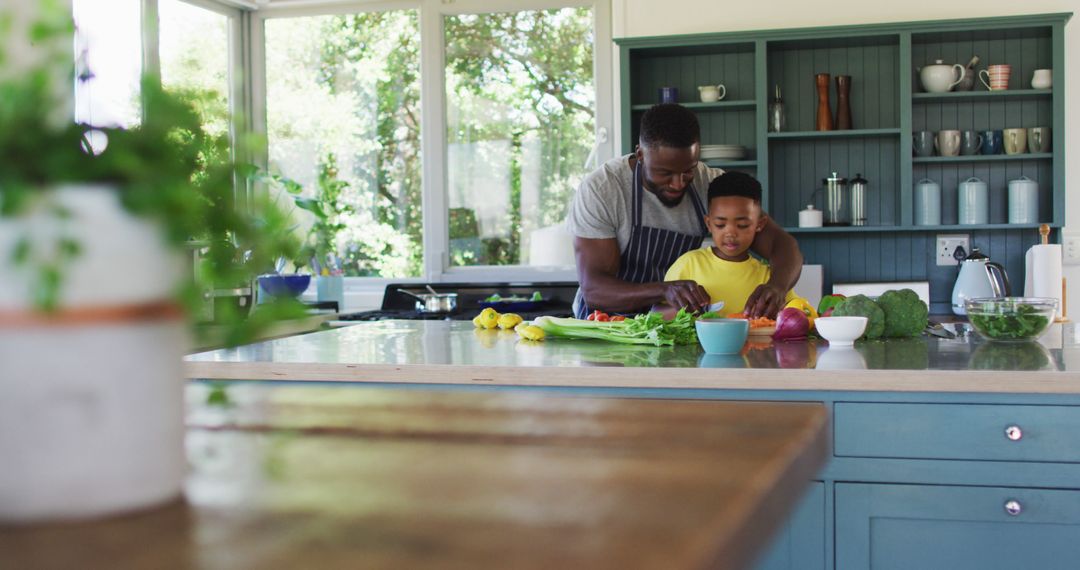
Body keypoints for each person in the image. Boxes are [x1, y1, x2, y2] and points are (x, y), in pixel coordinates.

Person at [564, 103, 802, 319]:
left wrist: (777, 287)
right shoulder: (602, 189)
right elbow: (595, 290)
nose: (678, 183)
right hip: (608, 324)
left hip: (672, 324)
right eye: (665, 173)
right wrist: (664, 289)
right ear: (640, 155)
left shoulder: (712, 185)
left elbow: (783, 245)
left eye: (688, 170)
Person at [655, 171, 797, 318]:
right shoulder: (689, 264)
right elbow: (656, 313)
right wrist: (684, 312)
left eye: (742, 225)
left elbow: (795, 313)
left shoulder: (767, 277)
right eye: (720, 224)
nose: (730, 234)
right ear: (708, 224)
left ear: (759, 224)